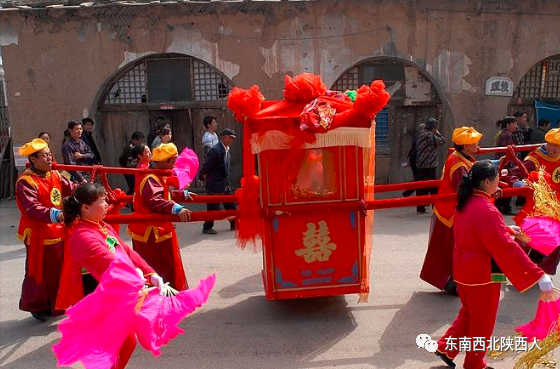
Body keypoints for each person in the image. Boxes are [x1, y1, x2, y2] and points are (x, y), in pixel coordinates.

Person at [434, 160, 552, 369]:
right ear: (487, 182)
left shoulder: (467, 201)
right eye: (497, 177)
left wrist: (506, 230)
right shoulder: (485, 208)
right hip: (482, 273)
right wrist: (536, 273)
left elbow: (480, 233)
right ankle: (474, 363)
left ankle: (446, 347)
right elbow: (505, 248)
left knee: (470, 313)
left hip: (464, 269)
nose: (499, 180)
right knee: (483, 320)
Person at [61, 182, 166, 369]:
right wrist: (135, 275)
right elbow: (109, 262)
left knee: (123, 344)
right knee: (119, 344)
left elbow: (125, 251)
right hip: (96, 300)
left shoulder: (102, 227)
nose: (107, 204)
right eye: (102, 201)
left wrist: (150, 273)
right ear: (85, 208)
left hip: (112, 297)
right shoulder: (82, 236)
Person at [15, 138, 76, 321]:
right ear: (33, 159)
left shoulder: (54, 175)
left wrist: (89, 190)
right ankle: (38, 306)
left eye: (50, 154)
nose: (50, 158)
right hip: (38, 233)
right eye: (45, 155)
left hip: (58, 230)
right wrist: (56, 215)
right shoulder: (25, 182)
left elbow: (71, 188)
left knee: (59, 269)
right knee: (39, 271)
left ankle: (59, 304)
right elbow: (32, 208)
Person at [420, 126, 482, 295]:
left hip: (451, 209)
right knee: (450, 249)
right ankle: (450, 282)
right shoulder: (458, 163)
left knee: (449, 248)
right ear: (466, 146)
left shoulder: (464, 158)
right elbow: (463, 187)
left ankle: (453, 280)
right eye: (475, 142)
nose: (478, 144)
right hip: (450, 213)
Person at [128, 143, 192, 290]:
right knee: (158, 267)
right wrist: (176, 208)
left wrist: (182, 195)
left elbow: (162, 194)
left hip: (154, 229)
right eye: (173, 161)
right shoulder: (150, 177)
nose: (174, 164)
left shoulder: (156, 174)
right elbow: (154, 201)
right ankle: (161, 301)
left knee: (165, 266)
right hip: (151, 231)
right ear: (164, 161)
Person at [199, 128, 238, 235]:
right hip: (215, 183)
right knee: (213, 207)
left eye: (232, 138)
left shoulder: (227, 150)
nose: (231, 140)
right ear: (223, 137)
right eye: (229, 137)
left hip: (225, 184)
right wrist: (203, 177)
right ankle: (207, 227)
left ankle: (235, 224)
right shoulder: (216, 150)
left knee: (230, 205)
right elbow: (207, 166)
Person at [414, 118, 446, 213]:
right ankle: (435, 207)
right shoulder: (430, 135)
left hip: (420, 164)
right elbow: (442, 141)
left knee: (421, 187)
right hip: (429, 165)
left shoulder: (421, 133)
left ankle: (420, 207)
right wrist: (438, 133)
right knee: (433, 187)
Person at [494, 117, 518, 215]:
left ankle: (501, 206)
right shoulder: (507, 135)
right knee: (508, 186)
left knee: (502, 185)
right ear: (508, 125)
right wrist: (512, 164)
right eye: (514, 123)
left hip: (503, 165)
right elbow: (508, 153)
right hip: (506, 166)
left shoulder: (502, 134)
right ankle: (505, 207)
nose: (516, 126)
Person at [403, 123, 425, 197]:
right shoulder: (421, 139)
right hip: (417, 160)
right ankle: (409, 192)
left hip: (414, 160)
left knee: (418, 178)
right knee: (419, 179)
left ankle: (409, 192)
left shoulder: (416, 138)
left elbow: (412, 150)